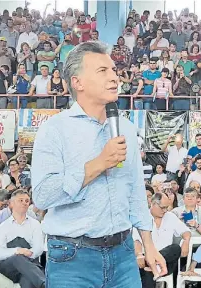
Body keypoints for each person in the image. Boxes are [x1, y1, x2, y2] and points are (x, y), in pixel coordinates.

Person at [31, 42, 166, 287]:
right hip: (72, 258)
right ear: (77, 82)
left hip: (124, 255)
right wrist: (99, 163)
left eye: (114, 70)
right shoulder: (54, 130)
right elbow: (42, 196)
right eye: (102, 71)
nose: (114, 78)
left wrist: (148, 245)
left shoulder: (124, 127)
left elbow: (135, 191)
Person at [133, 193, 191, 288]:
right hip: (146, 260)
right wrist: (139, 254)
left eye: (166, 207)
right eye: (162, 207)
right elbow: (136, 241)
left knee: (175, 248)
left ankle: (151, 263)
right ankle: (151, 264)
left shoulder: (170, 217)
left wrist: (186, 241)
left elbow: (186, 231)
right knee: (147, 271)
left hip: (166, 262)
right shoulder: (142, 218)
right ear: (152, 204)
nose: (165, 210)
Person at [0, 190, 45, 288]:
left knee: (28, 280)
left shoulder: (35, 224)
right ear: (11, 203)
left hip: (30, 264)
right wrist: (17, 251)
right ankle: (45, 284)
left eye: (27, 201)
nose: (24, 203)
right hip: (8, 266)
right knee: (17, 258)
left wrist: (26, 255)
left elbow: (38, 248)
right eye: (20, 200)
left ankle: (41, 283)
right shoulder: (2, 227)